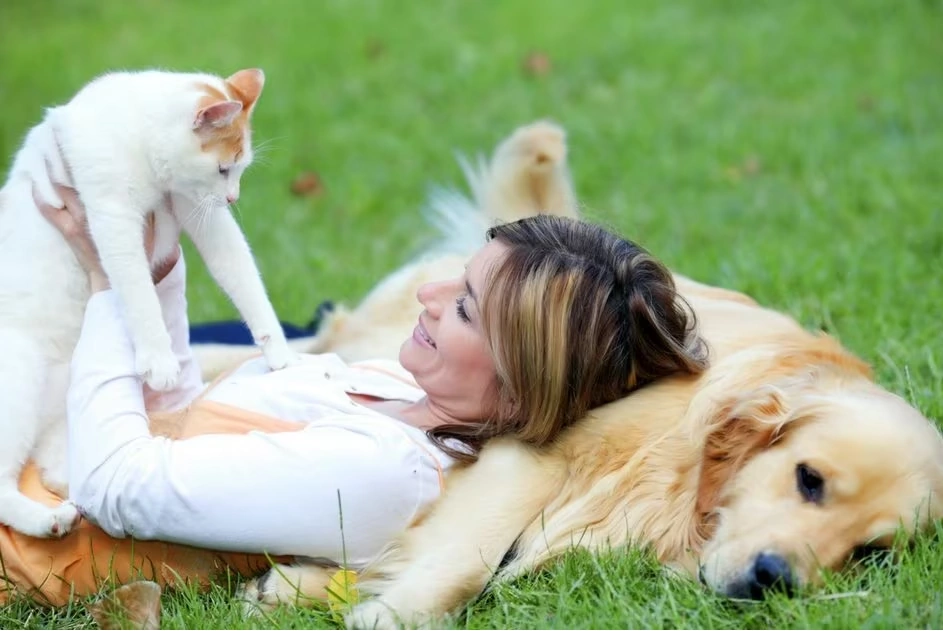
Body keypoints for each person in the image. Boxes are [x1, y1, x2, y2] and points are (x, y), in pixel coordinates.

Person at [1, 182, 707, 605]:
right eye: (458, 278)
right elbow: (174, 416)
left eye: (463, 307)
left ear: (522, 395)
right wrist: (156, 270)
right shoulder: (388, 387)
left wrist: (109, 289)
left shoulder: (381, 474)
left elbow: (120, 485)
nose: (428, 296)